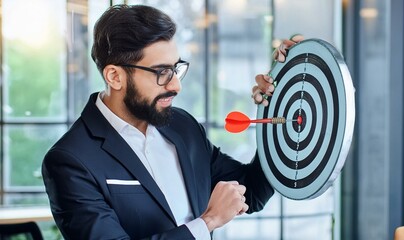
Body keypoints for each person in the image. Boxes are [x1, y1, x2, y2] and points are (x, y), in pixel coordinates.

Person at [42, 4, 301, 239]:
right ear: (114, 76)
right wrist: (207, 222)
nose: (176, 85)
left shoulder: (183, 127)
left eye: (175, 69)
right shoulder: (71, 161)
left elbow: (251, 193)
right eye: (162, 72)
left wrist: (278, 111)